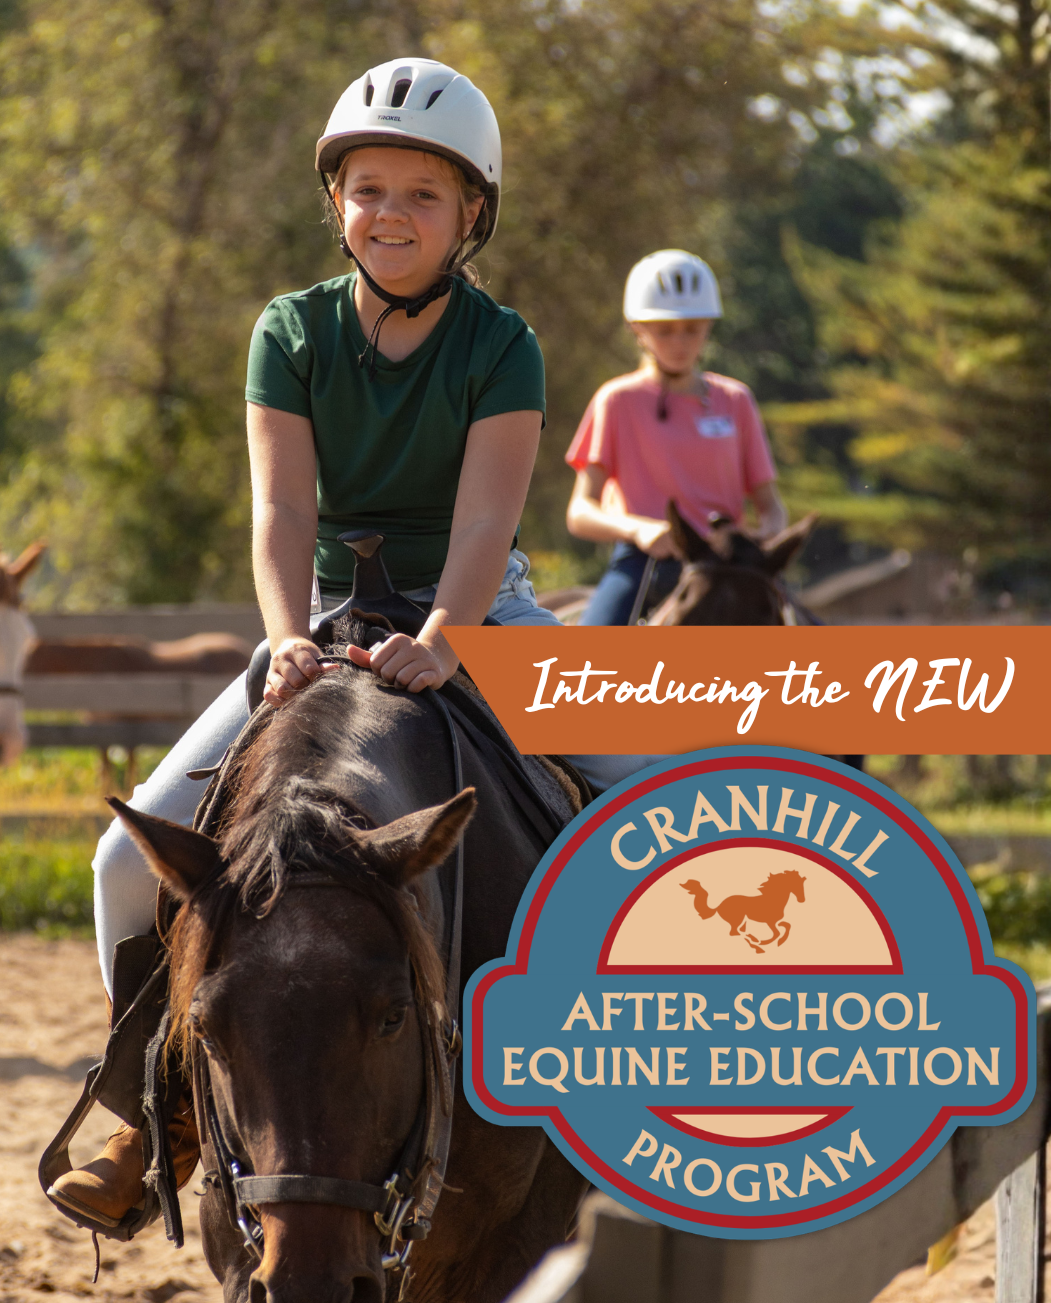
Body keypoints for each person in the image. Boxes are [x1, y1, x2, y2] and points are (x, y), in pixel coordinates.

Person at [48, 55, 572, 1232]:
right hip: (328, 615)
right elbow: (282, 511)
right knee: (123, 867)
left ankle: (636, 1088)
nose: (389, 213)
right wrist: (285, 639)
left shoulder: (504, 343)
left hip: (479, 606)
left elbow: (488, 518)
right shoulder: (288, 330)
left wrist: (448, 637)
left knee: (633, 795)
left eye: (422, 195)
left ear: (472, 216)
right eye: (367, 187)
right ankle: (156, 1112)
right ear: (335, 203)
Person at [565, 249, 787, 625]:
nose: (680, 343)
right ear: (638, 328)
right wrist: (639, 528)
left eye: (692, 329)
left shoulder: (736, 400)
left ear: (709, 327)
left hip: (730, 569)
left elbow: (773, 508)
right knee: (586, 660)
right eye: (665, 330)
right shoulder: (616, 400)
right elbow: (580, 512)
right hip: (645, 561)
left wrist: (756, 537)